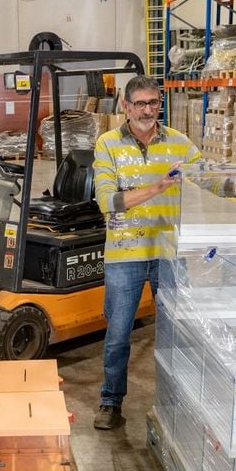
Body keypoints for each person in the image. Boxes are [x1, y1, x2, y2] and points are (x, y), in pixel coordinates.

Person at [91, 75, 200, 430]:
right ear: (125, 106)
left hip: (168, 252)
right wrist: (157, 187)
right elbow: (109, 201)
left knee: (174, 334)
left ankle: (175, 401)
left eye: (154, 103)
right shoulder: (107, 144)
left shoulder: (179, 143)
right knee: (119, 334)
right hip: (126, 255)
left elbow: (207, 177)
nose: (148, 110)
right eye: (140, 103)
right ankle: (110, 402)